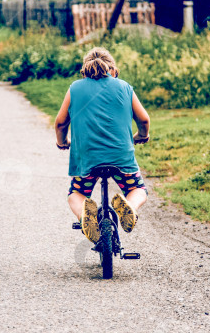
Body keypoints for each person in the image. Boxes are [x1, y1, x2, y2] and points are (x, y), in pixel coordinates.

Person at [54, 47, 151, 243]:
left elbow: (60, 123)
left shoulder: (75, 88)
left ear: (84, 71)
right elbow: (144, 120)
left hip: (87, 159)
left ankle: (85, 217)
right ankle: (129, 208)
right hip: (121, 159)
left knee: (76, 194)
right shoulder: (124, 87)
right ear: (113, 69)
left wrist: (62, 142)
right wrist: (141, 135)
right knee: (138, 189)